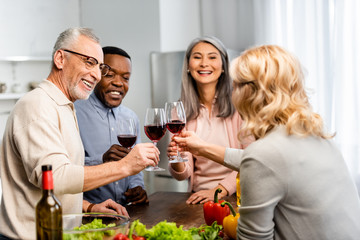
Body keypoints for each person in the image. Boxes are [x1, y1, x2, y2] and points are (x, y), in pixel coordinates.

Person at [174, 45, 360, 239]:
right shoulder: (314, 135)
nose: (231, 92)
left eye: (235, 85)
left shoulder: (265, 154)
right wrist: (202, 148)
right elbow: (265, 161)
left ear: (250, 92)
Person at [0, 27, 159, 240]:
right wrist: (125, 165)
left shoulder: (64, 106)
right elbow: (56, 177)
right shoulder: (37, 105)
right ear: (60, 58)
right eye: (89, 62)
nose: (96, 74)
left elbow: (50, 187)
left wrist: (90, 206)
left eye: (99, 66)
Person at [167, 36, 250, 205]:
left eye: (212, 57)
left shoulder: (241, 106)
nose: (204, 63)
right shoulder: (179, 112)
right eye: (197, 57)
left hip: (238, 196)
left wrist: (219, 190)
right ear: (188, 67)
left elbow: (251, 161)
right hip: (199, 198)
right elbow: (183, 175)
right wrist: (176, 160)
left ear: (224, 66)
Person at [75, 46, 148, 209]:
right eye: (110, 74)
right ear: (96, 74)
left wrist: (137, 187)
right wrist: (102, 160)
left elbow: (135, 167)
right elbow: (64, 171)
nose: (118, 83)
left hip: (125, 210)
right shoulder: (74, 113)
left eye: (126, 78)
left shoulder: (131, 117)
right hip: (88, 213)